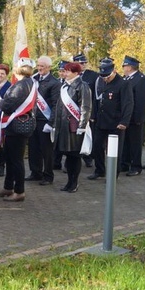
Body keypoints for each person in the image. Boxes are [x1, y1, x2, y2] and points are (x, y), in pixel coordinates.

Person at [0, 58, 37, 202]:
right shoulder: (28, 83)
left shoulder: (22, 85)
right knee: (10, 158)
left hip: (16, 126)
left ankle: (19, 191)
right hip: (15, 126)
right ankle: (8, 186)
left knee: (16, 160)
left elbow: (9, 105)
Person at [87, 58, 133, 179]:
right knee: (97, 147)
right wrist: (93, 115)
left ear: (114, 71)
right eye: (103, 76)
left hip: (116, 123)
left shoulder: (123, 83)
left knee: (114, 151)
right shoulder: (101, 81)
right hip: (101, 121)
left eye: (107, 76)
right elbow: (97, 100)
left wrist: (124, 122)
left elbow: (128, 104)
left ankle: (113, 174)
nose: (105, 78)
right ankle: (99, 170)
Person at [53, 62, 92, 193]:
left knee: (74, 156)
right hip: (63, 126)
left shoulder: (82, 86)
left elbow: (85, 107)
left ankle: (74, 183)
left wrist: (82, 125)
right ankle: (69, 182)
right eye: (64, 71)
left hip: (74, 127)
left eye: (68, 71)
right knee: (68, 156)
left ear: (76, 73)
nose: (65, 73)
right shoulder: (64, 85)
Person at [26, 56, 60, 185]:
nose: (39, 68)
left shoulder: (55, 83)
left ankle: (48, 175)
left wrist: (51, 123)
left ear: (49, 68)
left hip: (45, 120)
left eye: (42, 66)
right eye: (38, 66)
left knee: (46, 150)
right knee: (33, 148)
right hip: (32, 118)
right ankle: (35, 172)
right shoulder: (33, 79)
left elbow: (56, 104)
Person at [120, 56, 145, 176]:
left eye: (124, 66)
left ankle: (136, 166)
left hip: (135, 117)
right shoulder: (126, 78)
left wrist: (139, 118)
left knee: (135, 143)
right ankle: (125, 163)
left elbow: (142, 101)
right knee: (126, 142)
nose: (123, 68)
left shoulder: (140, 79)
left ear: (129, 67)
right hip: (126, 117)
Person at [75, 53, 98, 168]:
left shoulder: (93, 75)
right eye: (81, 63)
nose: (83, 64)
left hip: (87, 110)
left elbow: (95, 95)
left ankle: (88, 157)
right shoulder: (71, 75)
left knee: (88, 134)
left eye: (84, 62)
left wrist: (93, 113)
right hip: (73, 110)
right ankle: (74, 158)